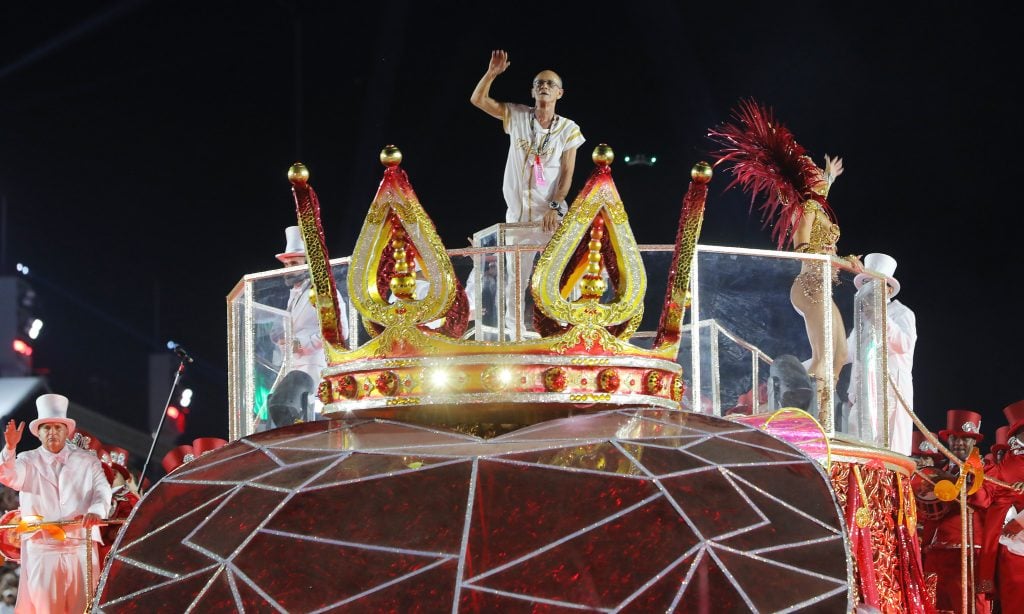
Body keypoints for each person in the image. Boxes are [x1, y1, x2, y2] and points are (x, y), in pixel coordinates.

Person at [708, 100, 863, 420]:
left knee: (839, 356)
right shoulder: (805, 209)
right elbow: (801, 247)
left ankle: (813, 413)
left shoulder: (816, 206)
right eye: (814, 172)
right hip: (809, 284)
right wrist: (838, 261)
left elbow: (819, 192)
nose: (819, 174)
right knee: (824, 357)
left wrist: (830, 177)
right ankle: (802, 418)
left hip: (822, 285)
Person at [470, 49, 585, 336]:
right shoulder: (518, 116)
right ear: (532, 91)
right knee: (515, 279)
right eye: (539, 83)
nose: (544, 86)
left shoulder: (568, 129)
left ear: (560, 93)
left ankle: (566, 329)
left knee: (561, 274)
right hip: (518, 216)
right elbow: (478, 100)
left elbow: (567, 173)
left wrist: (555, 206)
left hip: (551, 215)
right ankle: (516, 334)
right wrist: (492, 74)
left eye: (550, 83)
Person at [0, 393, 113, 613]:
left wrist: (96, 511)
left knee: (83, 607)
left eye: (57, 427)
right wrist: (10, 448)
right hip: (43, 549)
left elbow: (102, 490)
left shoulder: (87, 461)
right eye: (46, 427)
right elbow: (8, 476)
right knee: (46, 608)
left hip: (80, 546)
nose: (52, 432)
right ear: (39, 432)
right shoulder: (27, 460)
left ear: (67, 430)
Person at [267, 226, 348, 427]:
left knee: (299, 414)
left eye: (294, 263)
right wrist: (283, 342)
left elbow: (340, 329)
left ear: (307, 265)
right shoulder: (293, 296)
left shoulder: (322, 292)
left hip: (314, 367)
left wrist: (302, 344)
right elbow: (294, 338)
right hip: (293, 367)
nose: (289, 269)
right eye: (286, 264)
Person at [845, 253, 917, 455]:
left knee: (887, 453)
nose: (869, 288)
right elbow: (844, 353)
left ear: (888, 289)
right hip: (863, 398)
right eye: (866, 283)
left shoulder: (901, 313)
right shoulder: (861, 321)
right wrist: (801, 366)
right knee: (859, 450)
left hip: (890, 396)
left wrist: (879, 316)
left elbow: (903, 344)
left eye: (874, 284)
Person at [921, 409, 991, 613]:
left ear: (974, 442)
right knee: (934, 605)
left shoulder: (985, 469)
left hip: (968, 551)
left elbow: (983, 499)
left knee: (971, 605)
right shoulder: (938, 470)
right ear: (948, 440)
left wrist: (951, 481)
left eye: (965, 438)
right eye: (954, 438)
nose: (959, 443)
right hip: (936, 552)